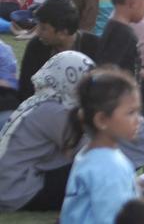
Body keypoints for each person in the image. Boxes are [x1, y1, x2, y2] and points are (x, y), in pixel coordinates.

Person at [0, 50, 95, 212]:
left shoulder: (40, 100)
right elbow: (88, 149)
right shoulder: (55, 111)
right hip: (15, 192)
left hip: (9, 184)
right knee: (93, 167)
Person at [61, 68, 141, 224]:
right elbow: (112, 219)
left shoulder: (90, 155)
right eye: (131, 112)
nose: (138, 120)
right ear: (102, 120)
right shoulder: (109, 166)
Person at [17, 0, 99, 100]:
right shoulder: (36, 46)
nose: (37, 32)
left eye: (43, 28)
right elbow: (26, 88)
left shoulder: (95, 46)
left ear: (62, 33)